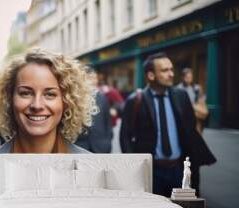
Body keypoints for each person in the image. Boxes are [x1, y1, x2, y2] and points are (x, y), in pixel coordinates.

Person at [0, 48, 97, 201]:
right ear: (8, 99)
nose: (37, 105)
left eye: (50, 94)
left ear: (66, 102)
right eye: (26, 93)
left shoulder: (93, 169)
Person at [120, 52, 216, 197]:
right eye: (165, 70)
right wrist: (134, 168)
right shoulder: (135, 100)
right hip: (152, 172)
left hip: (178, 169)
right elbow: (125, 137)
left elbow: (190, 132)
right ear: (151, 75)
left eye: (171, 69)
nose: (171, 74)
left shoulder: (181, 96)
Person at [75, 73, 113, 153]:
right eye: (89, 78)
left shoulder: (102, 97)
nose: (92, 80)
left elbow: (108, 122)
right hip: (81, 146)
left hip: (101, 147)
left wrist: (107, 142)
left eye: (94, 78)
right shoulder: (75, 97)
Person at [176, 68, 208, 134]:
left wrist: (200, 101)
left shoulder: (196, 87)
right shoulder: (178, 88)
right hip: (185, 113)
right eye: (187, 77)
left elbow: (202, 98)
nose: (189, 79)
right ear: (183, 77)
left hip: (196, 112)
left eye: (190, 77)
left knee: (197, 129)